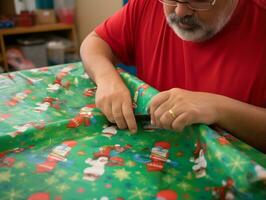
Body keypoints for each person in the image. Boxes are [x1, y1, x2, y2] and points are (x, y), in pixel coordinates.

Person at [80, 0, 266, 152]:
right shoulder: (148, 5)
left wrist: (218, 108)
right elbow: (95, 42)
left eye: (199, 0)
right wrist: (107, 79)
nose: (180, 11)